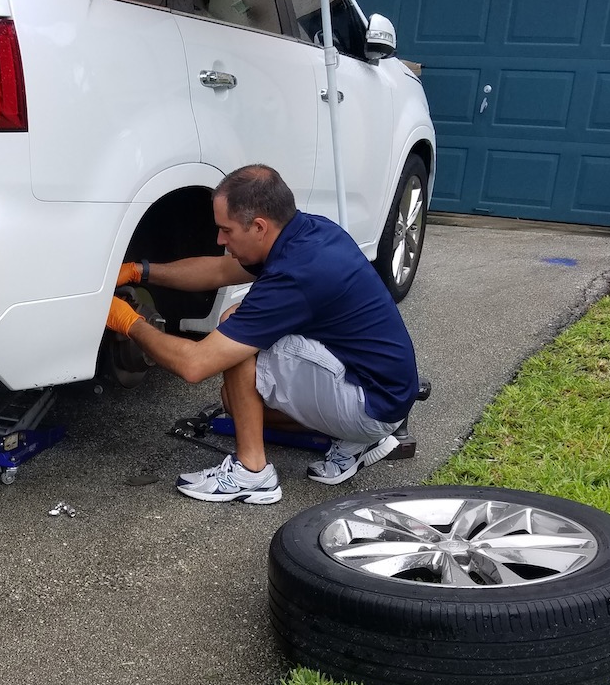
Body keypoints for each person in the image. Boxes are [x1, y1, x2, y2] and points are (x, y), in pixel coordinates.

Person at [107, 164, 419, 505]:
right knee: (235, 402)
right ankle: (358, 439)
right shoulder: (307, 233)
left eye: (226, 230)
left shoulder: (295, 275)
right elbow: (218, 269)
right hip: (384, 393)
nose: (219, 240)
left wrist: (129, 322)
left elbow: (195, 365)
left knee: (237, 333)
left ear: (258, 226)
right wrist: (141, 271)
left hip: (369, 404)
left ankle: (252, 472)